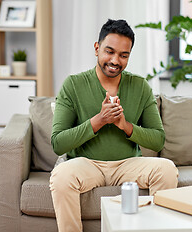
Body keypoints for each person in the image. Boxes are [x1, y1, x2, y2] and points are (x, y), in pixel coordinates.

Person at [49, 19, 178, 232]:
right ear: (97, 48)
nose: (115, 60)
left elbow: (158, 140)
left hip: (128, 164)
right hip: (86, 163)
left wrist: (124, 125)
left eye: (123, 55)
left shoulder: (140, 86)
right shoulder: (73, 85)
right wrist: (99, 121)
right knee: (62, 176)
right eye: (109, 51)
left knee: (166, 169)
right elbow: (58, 143)